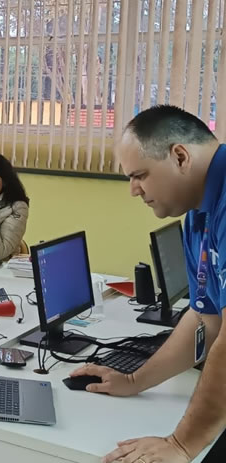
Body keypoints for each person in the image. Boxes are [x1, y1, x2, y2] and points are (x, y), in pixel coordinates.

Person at [70, 105, 226, 463]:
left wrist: (182, 444)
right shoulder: (198, 214)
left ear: (180, 157)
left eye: (139, 175)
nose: (133, 190)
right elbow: (206, 318)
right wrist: (134, 380)